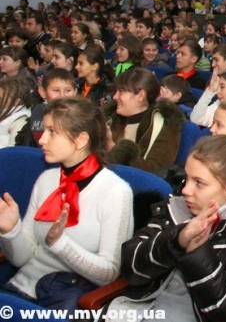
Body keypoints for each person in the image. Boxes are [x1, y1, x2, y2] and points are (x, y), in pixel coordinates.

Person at [108, 135, 226, 321]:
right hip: (136, 311)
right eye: (186, 177)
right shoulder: (176, 206)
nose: (185, 190)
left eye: (199, 183)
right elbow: (130, 269)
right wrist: (176, 240)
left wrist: (198, 253)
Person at [0, 97, 133, 311]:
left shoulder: (116, 192)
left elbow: (109, 273)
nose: (42, 140)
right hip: (19, 290)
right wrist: (10, 231)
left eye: (52, 132)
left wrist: (60, 243)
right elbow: (22, 259)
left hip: (61, 301)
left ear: (80, 140)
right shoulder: (47, 179)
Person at [106, 67, 185, 174]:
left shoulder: (164, 124)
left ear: (140, 95)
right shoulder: (110, 117)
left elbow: (156, 171)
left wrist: (112, 148)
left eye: (121, 91)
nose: (115, 97)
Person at [0, 78, 33, 148]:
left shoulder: (20, 120)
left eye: (0, 98)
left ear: (16, 101)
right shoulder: (4, 112)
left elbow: (13, 150)